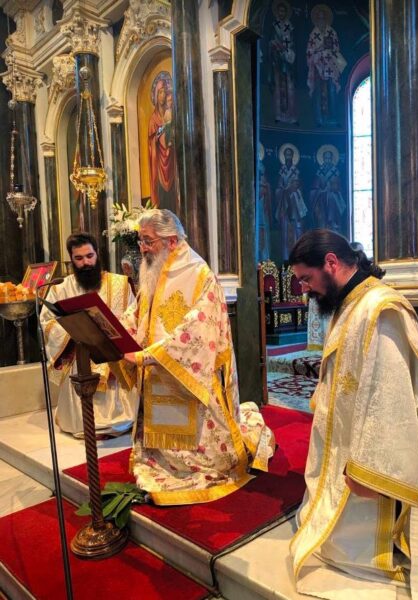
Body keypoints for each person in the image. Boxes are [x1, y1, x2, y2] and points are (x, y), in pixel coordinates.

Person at [288, 230, 418, 599]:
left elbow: (389, 395)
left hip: (364, 453)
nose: (304, 289)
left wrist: (369, 469)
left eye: (306, 278)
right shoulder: (348, 303)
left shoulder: (380, 310)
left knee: (361, 538)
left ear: (331, 263)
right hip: (342, 434)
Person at [120, 209, 274, 505]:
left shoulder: (199, 273)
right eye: (141, 241)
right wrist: (117, 333)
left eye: (148, 241)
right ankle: (162, 461)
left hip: (187, 373)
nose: (143, 249)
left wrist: (154, 355)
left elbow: (199, 328)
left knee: (204, 444)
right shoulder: (152, 270)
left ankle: (197, 464)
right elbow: (139, 311)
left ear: (172, 240)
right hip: (154, 370)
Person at [40, 232, 138, 438]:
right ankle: (82, 422)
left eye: (89, 256)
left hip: (112, 354)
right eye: (79, 258)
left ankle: (117, 421)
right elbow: (47, 323)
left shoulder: (120, 284)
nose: (86, 262)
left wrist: (114, 328)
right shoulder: (61, 288)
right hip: (80, 353)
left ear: (97, 254)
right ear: (71, 259)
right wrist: (74, 329)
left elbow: (133, 315)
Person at [306, 4, 346, 127]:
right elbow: (309, 51)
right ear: (316, 19)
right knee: (318, 91)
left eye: (323, 18)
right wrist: (320, 49)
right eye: (319, 18)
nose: (321, 20)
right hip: (318, 66)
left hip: (330, 65)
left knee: (332, 89)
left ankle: (333, 118)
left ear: (326, 19)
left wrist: (330, 50)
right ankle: (319, 119)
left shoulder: (332, 32)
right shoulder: (314, 33)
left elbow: (336, 48)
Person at [148, 71, 176, 211]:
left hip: (172, 163)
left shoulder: (170, 115)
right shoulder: (153, 119)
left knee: (173, 199)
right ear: (155, 95)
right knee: (163, 200)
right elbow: (152, 143)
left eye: (164, 92)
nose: (162, 96)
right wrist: (162, 130)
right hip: (159, 165)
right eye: (160, 92)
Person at [275, 145, 307, 260]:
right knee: (285, 232)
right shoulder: (282, 171)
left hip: (295, 205)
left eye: (290, 155)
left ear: (293, 156)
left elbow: (300, 187)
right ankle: (285, 258)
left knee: (297, 230)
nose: (288, 157)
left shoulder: (296, 170)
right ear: (284, 156)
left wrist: (294, 189)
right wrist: (283, 191)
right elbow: (278, 188)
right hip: (285, 204)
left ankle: (298, 257)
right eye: (286, 155)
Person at [269, 0, 297, 124]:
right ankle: (279, 115)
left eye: (283, 11)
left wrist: (288, 52)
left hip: (288, 61)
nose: (281, 13)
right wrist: (276, 49)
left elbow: (293, 43)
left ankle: (291, 116)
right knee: (278, 87)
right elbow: (270, 41)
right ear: (277, 12)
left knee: (289, 87)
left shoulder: (290, 26)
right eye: (280, 11)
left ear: (286, 13)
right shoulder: (274, 26)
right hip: (277, 61)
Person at [310, 147, 346, 232]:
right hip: (321, 197)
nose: (327, 160)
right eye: (326, 158)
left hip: (333, 197)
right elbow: (315, 186)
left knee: (331, 197)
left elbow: (338, 186)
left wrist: (332, 187)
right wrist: (320, 189)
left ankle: (333, 224)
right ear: (323, 159)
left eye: (329, 158)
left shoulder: (335, 171)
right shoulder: (319, 171)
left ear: (332, 159)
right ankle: (322, 228)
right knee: (320, 214)